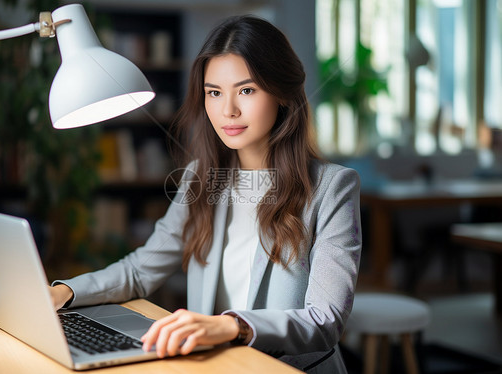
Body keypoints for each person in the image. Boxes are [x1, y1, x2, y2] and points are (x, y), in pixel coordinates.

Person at [50, 15, 361, 373]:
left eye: (246, 90)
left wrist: (231, 326)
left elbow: (326, 321)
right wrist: (65, 293)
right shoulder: (202, 178)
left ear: (282, 93)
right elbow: (141, 271)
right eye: (214, 92)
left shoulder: (332, 188)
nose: (227, 110)